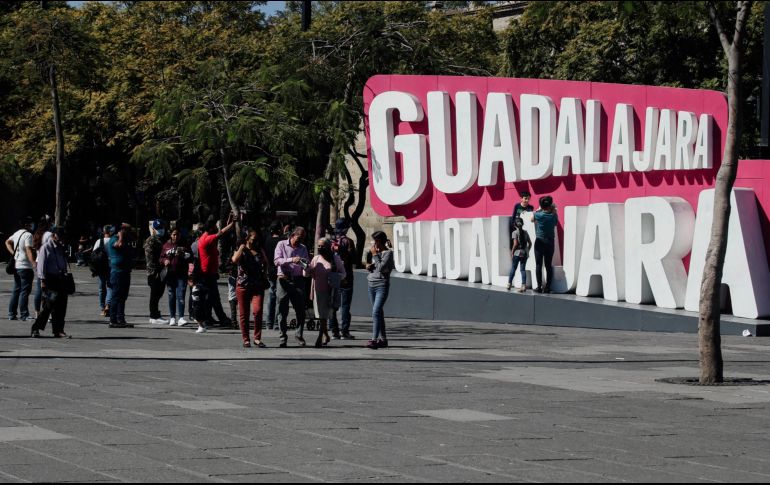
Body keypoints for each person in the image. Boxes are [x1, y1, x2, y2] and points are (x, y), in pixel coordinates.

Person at [232, 228, 269, 348]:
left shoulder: (259, 250)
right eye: (253, 240)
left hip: (257, 285)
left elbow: (266, 262)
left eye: (256, 240)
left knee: (257, 311)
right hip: (243, 285)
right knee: (244, 314)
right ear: (247, 239)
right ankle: (246, 339)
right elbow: (234, 260)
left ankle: (257, 338)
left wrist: (264, 274)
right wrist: (242, 248)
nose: (255, 242)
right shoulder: (241, 249)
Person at [274, 226, 310, 348]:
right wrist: (291, 260)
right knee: (282, 310)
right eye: (299, 238)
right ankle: (282, 337)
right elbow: (277, 261)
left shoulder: (303, 248)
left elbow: (306, 262)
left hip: (298, 280)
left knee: (301, 310)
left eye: (302, 239)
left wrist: (305, 265)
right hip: (284, 279)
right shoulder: (281, 244)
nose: (300, 241)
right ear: (292, 235)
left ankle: (299, 335)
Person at [198, 214, 236, 327]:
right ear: (210, 229)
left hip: (209, 272)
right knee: (212, 296)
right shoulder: (207, 239)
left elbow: (221, 231)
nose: (216, 228)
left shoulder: (205, 236)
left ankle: (209, 317)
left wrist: (229, 221)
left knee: (210, 297)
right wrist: (232, 224)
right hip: (207, 273)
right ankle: (219, 318)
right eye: (214, 226)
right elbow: (221, 233)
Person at [30, 227, 70, 338]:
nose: (62, 239)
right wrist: (42, 281)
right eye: (60, 237)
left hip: (61, 278)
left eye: (63, 237)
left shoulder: (61, 248)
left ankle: (58, 330)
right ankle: (36, 328)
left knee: (62, 306)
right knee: (48, 305)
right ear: (53, 236)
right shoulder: (46, 247)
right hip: (50, 279)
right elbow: (41, 266)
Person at [310, 238, 346, 348]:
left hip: (330, 292)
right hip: (317, 291)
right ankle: (326, 335)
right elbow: (307, 273)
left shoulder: (335, 259)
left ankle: (320, 337)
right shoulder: (316, 259)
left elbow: (343, 273)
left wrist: (335, 277)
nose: (320, 248)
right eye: (319, 246)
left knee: (323, 316)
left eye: (322, 246)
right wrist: (305, 267)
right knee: (321, 316)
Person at [365, 231, 394, 350]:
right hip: (371, 283)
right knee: (379, 313)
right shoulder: (375, 253)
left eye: (375, 241)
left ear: (380, 241)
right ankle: (383, 339)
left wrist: (375, 255)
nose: (373, 244)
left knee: (376, 311)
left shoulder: (388, 253)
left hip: (381, 284)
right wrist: (368, 266)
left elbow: (382, 267)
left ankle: (374, 339)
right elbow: (374, 266)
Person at [329, 218, 356, 340]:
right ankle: (344, 331)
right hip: (347, 276)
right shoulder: (348, 242)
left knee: (333, 304)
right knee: (345, 305)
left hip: (334, 275)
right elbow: (353, 258)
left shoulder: (330, 242)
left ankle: (334, 331)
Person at [6, 217, 35, 321]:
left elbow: (7, 242)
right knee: (24, 291)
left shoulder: (17, 233)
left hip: (17, 265)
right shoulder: (28, 235)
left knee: (16, 290)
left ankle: (11, 313)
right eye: (31, 224)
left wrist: (14, 254)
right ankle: (24, 314)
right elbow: (28, 250)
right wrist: (33, 263)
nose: (32, 225)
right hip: (25, 266)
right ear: (27, 225)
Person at [106, 223, 135, 328]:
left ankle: (121, 319)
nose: (128, 232)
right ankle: (113, 320)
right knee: (116, 296)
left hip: (125, 272)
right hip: (117, 272)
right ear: (121, 230)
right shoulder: (114, 239)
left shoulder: (126, 240)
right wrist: (121, 235)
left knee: (123, 297)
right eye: (126, 230)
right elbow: (119, 245)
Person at [160, 228, 191, 326]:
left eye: (177, 234)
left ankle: (181, 317)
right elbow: (161, 257)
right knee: (171, 295)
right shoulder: (166, 245)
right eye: (174, 234)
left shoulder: (185, 245)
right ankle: (172, 317)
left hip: (181, 274)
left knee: (181, 295)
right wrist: (164, 261)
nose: (176, 236)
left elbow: (191, 257)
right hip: (170, 274)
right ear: (170, 235)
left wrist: (184, 255)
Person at [531, 195, 559, 294]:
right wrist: (553, 210)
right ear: (550, 205)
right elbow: (555, 223)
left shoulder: (538, 215)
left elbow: (532, 219)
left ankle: (539, 287)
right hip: (550, 242)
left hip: (539, 242)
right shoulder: (554, 215)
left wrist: (539, 210)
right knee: (548, 265)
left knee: (538, 265)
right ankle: (547, 287)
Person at [144, 219, 168, 325]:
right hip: (154, 271)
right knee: (154, 294)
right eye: (158, 229)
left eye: (161, 228)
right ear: (154, 229)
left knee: (159, 293)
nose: (160, 230)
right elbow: (150, 258)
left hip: (162, 270)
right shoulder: (151, 240)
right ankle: (153, 316)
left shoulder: (163, 239)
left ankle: (156, 313)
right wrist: (157, 269)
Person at [263, 221, 283, 330]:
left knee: (271, 296)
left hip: (270, 269)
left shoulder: (267, 240)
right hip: (279, 270)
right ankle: (276, 322)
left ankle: (269, 323)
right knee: (279, 297)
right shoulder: (282, 241)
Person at [90, 225, 113, 317]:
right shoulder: (113, 241)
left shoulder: (99, 241)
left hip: (100, 267)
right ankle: (108, 305)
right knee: (110, 286)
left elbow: (94, 255)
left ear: (104, 232)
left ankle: (102, 308)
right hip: (111, 266)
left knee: (101, 288)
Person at [507, 217, 532, 292]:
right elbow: (530, 243)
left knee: (513, 268)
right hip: (524, 253)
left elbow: (515, 244)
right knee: (522, 270)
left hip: (517, 253)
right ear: (522, 224)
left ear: (515, 225)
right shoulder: (526, 232)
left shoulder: (514, 232)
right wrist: (527, 250)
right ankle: (523, 286)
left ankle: (509, 284)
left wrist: (512, 252)